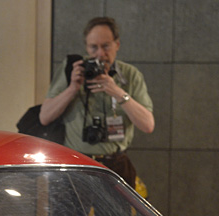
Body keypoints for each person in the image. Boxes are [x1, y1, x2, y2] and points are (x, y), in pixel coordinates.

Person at [39, 17, 154, 187]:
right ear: (86, 47)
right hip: (76, 163)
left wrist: (117, 92)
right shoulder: (73, 69)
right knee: (70, 214)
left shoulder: (131, 75)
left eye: (106, 46)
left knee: (117, 214)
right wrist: (72, 88)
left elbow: (148, 125)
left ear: (117, 45)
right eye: (94, 47)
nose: (100, 53)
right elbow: (45, 117)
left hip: (116, 165)